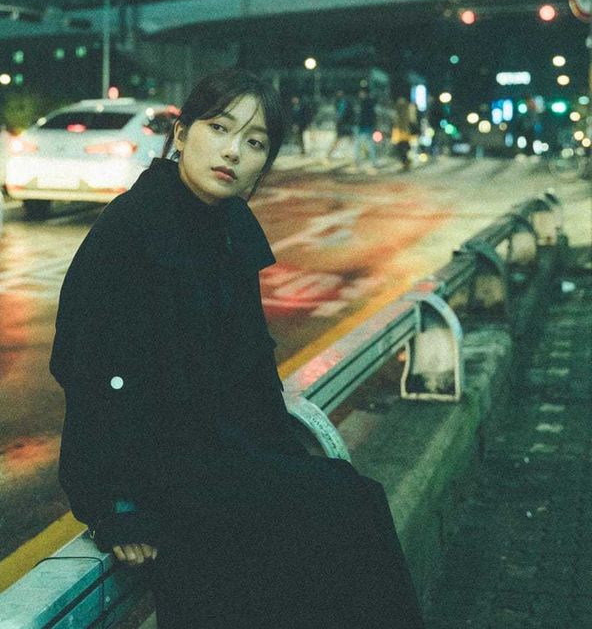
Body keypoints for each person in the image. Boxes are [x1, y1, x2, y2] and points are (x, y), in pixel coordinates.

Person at [50, 67, 424, 629]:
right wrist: (117, 506)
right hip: (163, 466)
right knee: (349, 508)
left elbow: (251, 366)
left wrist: (279, 454)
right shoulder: (132, 229)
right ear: (181, 135)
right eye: (220, 128)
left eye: (254, 143)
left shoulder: (227, 224)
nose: (233, 152)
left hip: (225, 451)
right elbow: (91, 374)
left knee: (344, 504)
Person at [327, 89, 356, 160]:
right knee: (344, 139)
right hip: (343, 124)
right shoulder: (342, 102)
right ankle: (330, 153)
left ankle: (330, 154)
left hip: (344, 124)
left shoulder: (341, 102)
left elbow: (341, 114)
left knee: (348, 139)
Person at [354, 87, 379, 169]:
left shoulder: (365, 103)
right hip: (367, 126)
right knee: (369, 145)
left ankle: (358, 162)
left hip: (364, 126)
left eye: (361, 93)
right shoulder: (370, 102)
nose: (360, 94)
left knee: (359, 145)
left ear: (364, 93)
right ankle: (373, 162)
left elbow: (364, 116)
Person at [392, 96, 418, 171]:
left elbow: (396, 122)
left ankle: (406, 164)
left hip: (402, 133)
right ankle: (406, 163)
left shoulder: (399, 110)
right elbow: (413, 120)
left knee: (402, 149)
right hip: (405, 133)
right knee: (405, 149)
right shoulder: (408, 109)